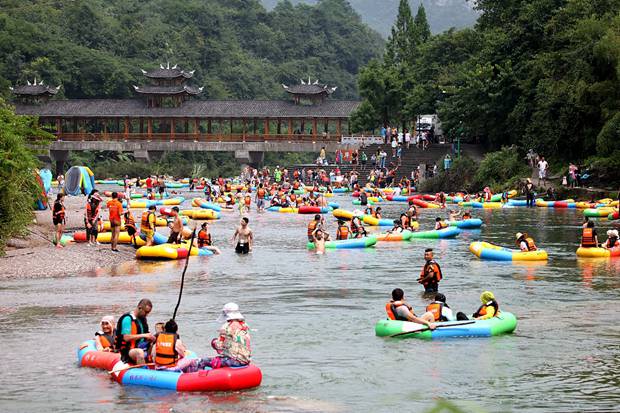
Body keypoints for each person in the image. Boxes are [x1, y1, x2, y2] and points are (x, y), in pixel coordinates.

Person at [188, 303, 252, 370]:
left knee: (200, 362)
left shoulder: (226, 327)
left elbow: (219, 346)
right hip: (245, 360)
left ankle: (196, 378)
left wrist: (213, 342)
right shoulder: (245, 325)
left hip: (233, 361)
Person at [115, 299, 155, 364]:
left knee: (157, 345)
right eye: (146, 312)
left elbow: (145, 336)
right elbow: (126, 338)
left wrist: (151, 338)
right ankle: (142, 370)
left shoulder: (142, 319)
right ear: (140, 308)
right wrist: (144, 335)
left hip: (142, 346)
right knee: (139, 352)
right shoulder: (127, 319)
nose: (147, 315)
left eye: (148, 313)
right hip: (129, 350)